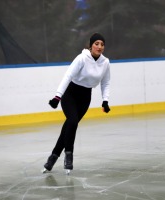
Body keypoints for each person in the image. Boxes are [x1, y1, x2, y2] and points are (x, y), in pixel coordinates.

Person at [43, 33, 111, 174]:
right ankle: (69, 155)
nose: (99, 47)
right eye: (96, 43)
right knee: (73, 122)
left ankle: (52, 158)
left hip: (85, 98)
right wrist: (57, 97)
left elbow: (106, 82)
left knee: (69, 125)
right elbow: (68, 76)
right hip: (70, 94)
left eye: (102, 44)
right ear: (91, 45)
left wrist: (105, 100)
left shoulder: (105, 63)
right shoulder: (81, 58)